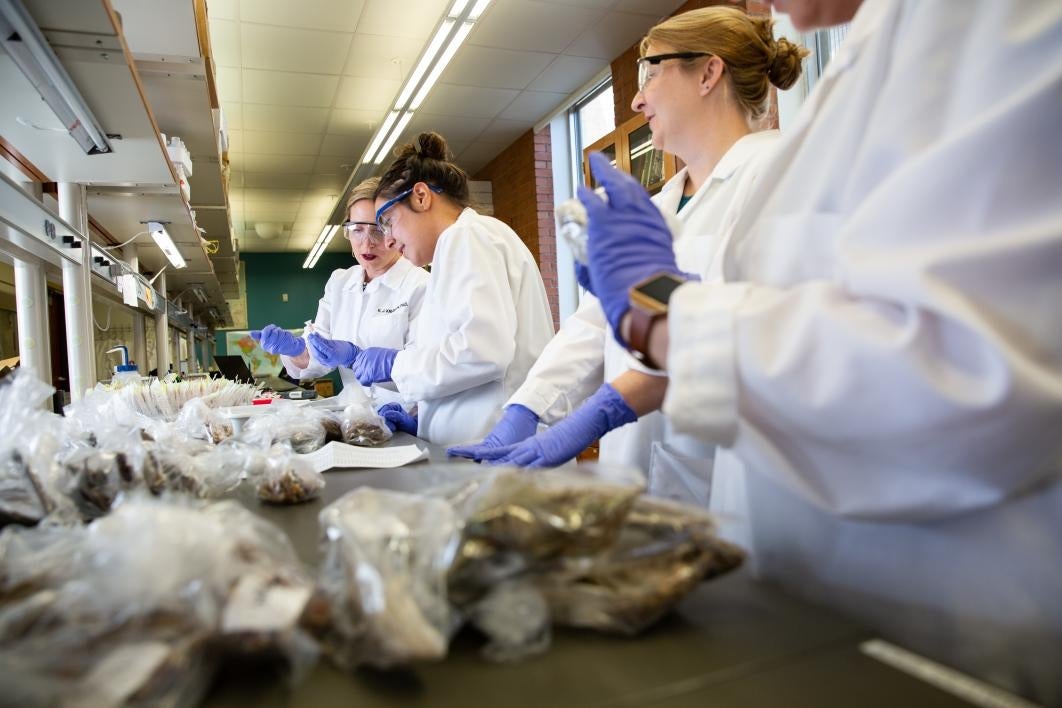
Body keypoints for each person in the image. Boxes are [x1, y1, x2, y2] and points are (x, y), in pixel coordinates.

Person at [578, 0, 1062, 702]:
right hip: (818, 604)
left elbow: (964, 365)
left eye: (649, 70)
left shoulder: (985, 17)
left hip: (952, 635)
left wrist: (667, 323)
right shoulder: (870, 62)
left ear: (708, 73)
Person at [450, 7, 807, 507]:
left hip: (725, 476)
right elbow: (596, 325)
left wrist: (602, 410)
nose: (637, 98)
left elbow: (758, 343)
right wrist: (528, 410)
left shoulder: (780, 177)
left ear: (708, 72)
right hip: (635, 465)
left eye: (651, 71)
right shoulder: (658, 206)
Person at [316, 131, 554, 446]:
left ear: (421, 197)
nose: (387, 240)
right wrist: (423, 420)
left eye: (388, 221)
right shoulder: (462, 243)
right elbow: (460, 352)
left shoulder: (466, 237)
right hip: (476, 437)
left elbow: (482, 353)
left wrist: (394, 363)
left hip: (494, 439)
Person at [250, 177, 429, 405]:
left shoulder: (420, 285)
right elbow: (319, 358)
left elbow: (427, 370)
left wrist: (359, 358)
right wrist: (296, 349)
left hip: (408, 417)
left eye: (378, 229)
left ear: (395, 229)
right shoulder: (340, 282)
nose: (367, 242)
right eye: (357, 229)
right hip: (356, 416)